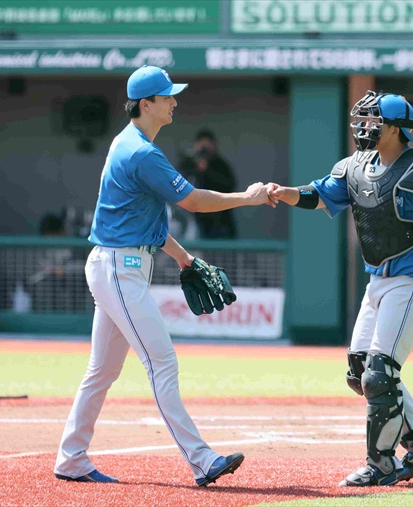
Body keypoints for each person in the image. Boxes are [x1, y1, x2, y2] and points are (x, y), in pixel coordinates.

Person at [54, 66, 273, 486]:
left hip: (118, 265)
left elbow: (149, 224)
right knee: (161, 362)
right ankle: (201, 460)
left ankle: (71, 458)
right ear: (146, 103)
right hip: (119, 268)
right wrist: (248, 198)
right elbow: (193, 201)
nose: (174, 102)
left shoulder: (131, 144)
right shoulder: (140, 152)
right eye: (167, 96)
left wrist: (184, 258)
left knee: (102, 371)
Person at [267, 91, 413, 487]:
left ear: (395, 129)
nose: (364, 127)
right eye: (364, 119)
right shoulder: (354, 166)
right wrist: (284, 192)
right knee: (361, 370)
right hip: (378, 280)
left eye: (374, 121)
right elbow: (319, 194)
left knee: (380, 374)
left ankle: (381, 464)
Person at [179, 129, 238, 238]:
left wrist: (207, 170)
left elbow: (229, 185)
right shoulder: (191, 162)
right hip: (195, 218)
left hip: (219, 220)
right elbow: (178, 179)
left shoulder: (220, 165)